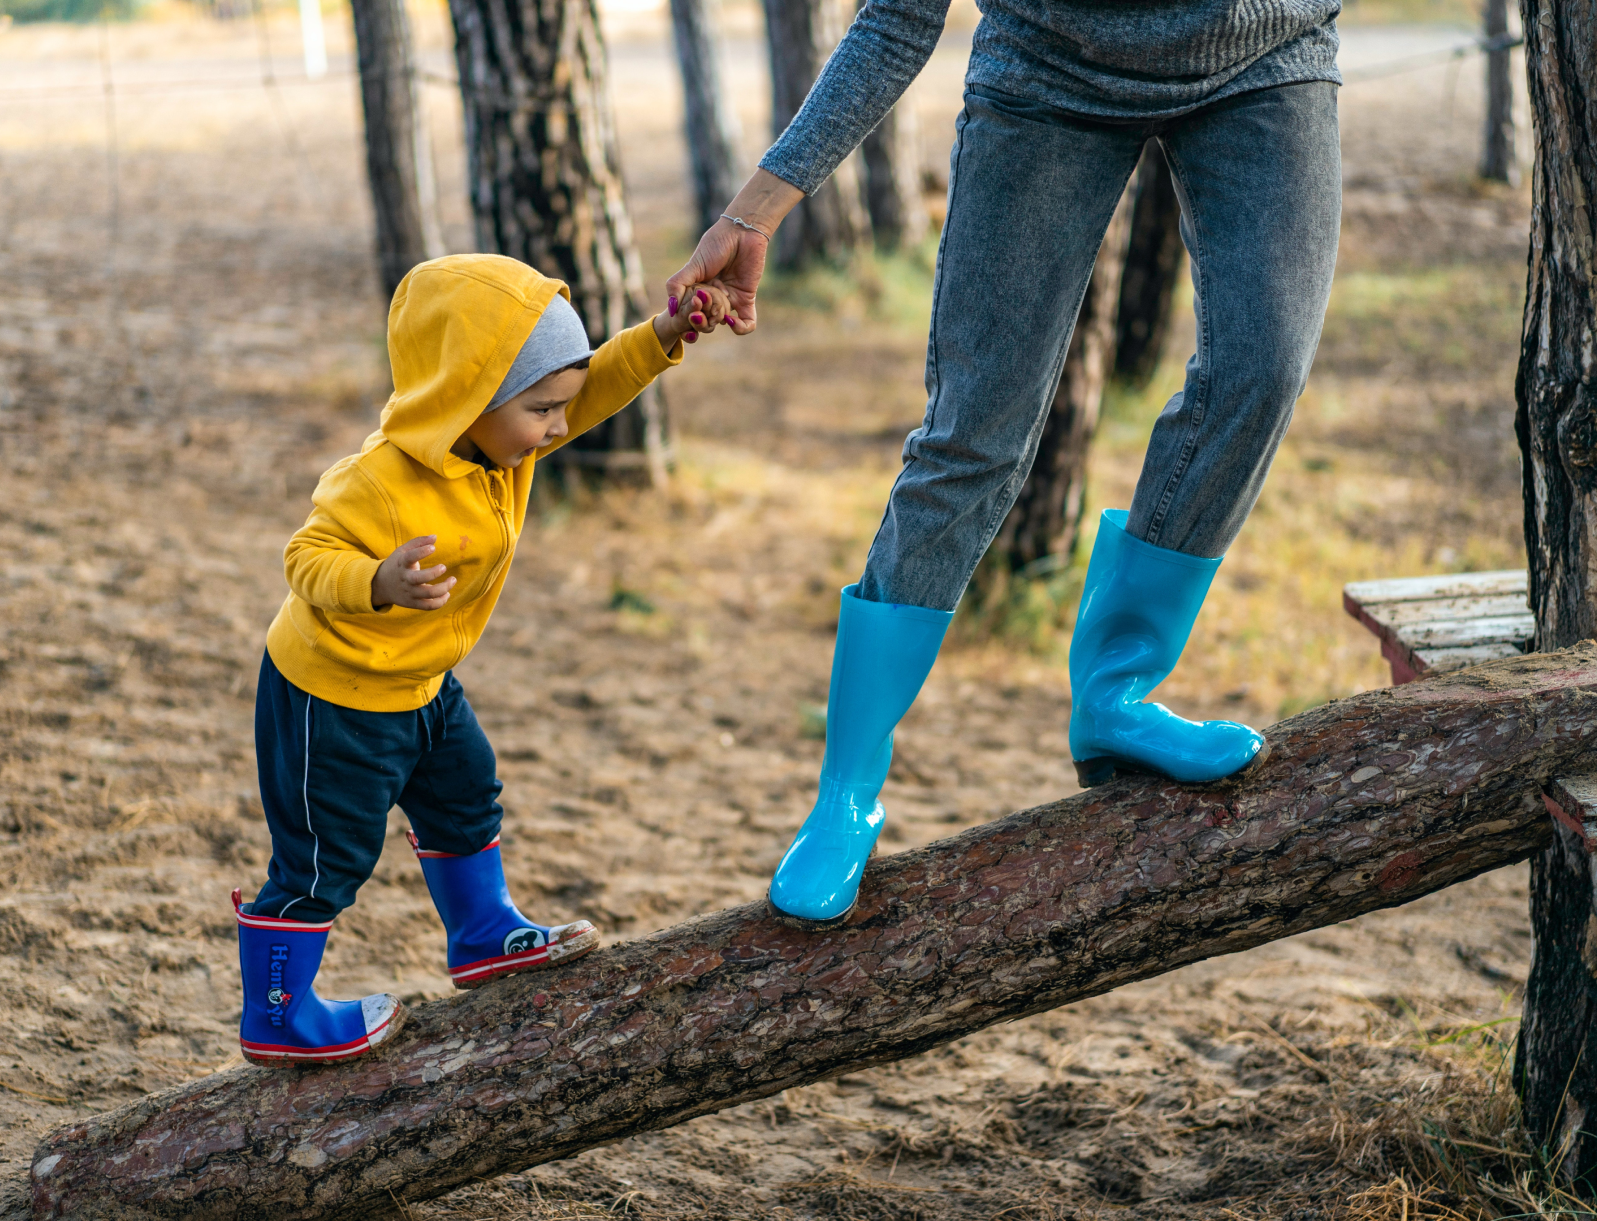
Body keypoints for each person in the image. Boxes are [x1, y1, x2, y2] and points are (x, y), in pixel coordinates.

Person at [668, 1, 1343, 927]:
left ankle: (1116, 693)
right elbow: (897, 18)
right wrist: (758, 208)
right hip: (1048, 73)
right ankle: (847, 792)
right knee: (972, 435)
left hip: (1267, 55)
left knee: (1260, 373)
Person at [234, 253, 734, 1064]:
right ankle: (278, 1011)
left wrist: (665, 333)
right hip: (335, 697)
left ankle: (481, 932)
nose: (558, 426)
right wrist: (377, 580)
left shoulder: (505, 443)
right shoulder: (379, 480)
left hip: (423, 682)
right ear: (468, 396)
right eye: (541, 408)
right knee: (327, 856)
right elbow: (304, 556)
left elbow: (593, 385)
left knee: (467, 794)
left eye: (558, 407)